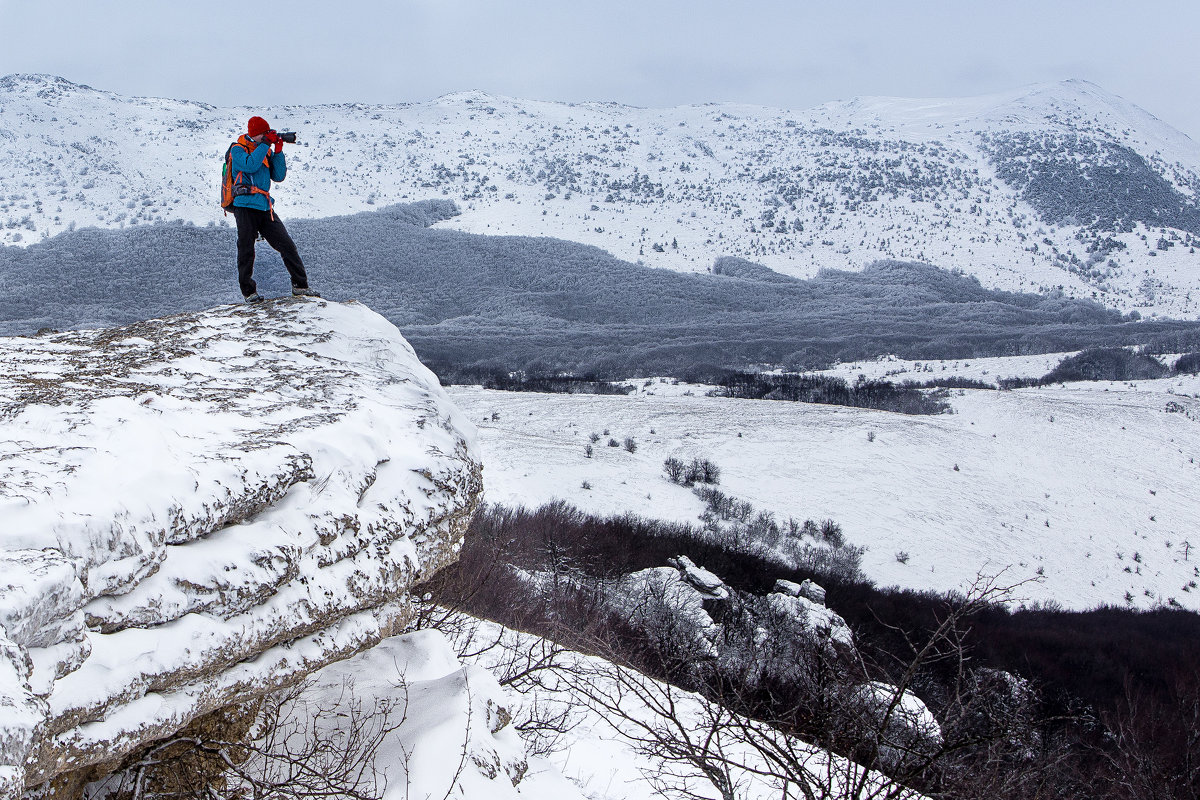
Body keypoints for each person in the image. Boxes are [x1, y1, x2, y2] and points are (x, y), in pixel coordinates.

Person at [228, 115, 318, 302]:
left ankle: (300, 286)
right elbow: (250, 166)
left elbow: (278, 176)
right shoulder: (237, 149)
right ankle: (249, 292)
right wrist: (265, 146)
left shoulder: (265, 151)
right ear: (255, 134)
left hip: (264, 206)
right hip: (244, 206)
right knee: (246, 249)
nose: (265, 137)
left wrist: (277, 151)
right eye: (263, 134)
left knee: (287, 245)